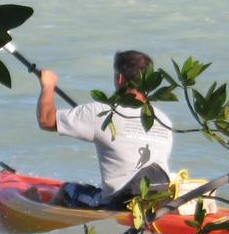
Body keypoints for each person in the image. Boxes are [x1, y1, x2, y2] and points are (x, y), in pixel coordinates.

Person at [37, 50, 173, 208]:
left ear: (120, 79)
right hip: (156, 201)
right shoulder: (163, 120)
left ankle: (38, 221)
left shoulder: (101, 113)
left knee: (67, 190)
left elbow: (46, 120)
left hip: (118, 204)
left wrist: (48, 85)